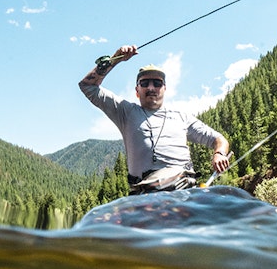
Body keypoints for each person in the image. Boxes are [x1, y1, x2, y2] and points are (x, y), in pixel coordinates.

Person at [79, 44, 232, 195]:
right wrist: (114, 59)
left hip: (184, 193)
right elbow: (87, 86)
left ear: (164, 88)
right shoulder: (125, 112)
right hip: (145, 198)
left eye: (157, 83)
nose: (151, 87)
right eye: (144, 83)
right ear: (137, 91)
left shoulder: (182, 117)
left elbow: (219, 139)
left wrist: (219, 154)